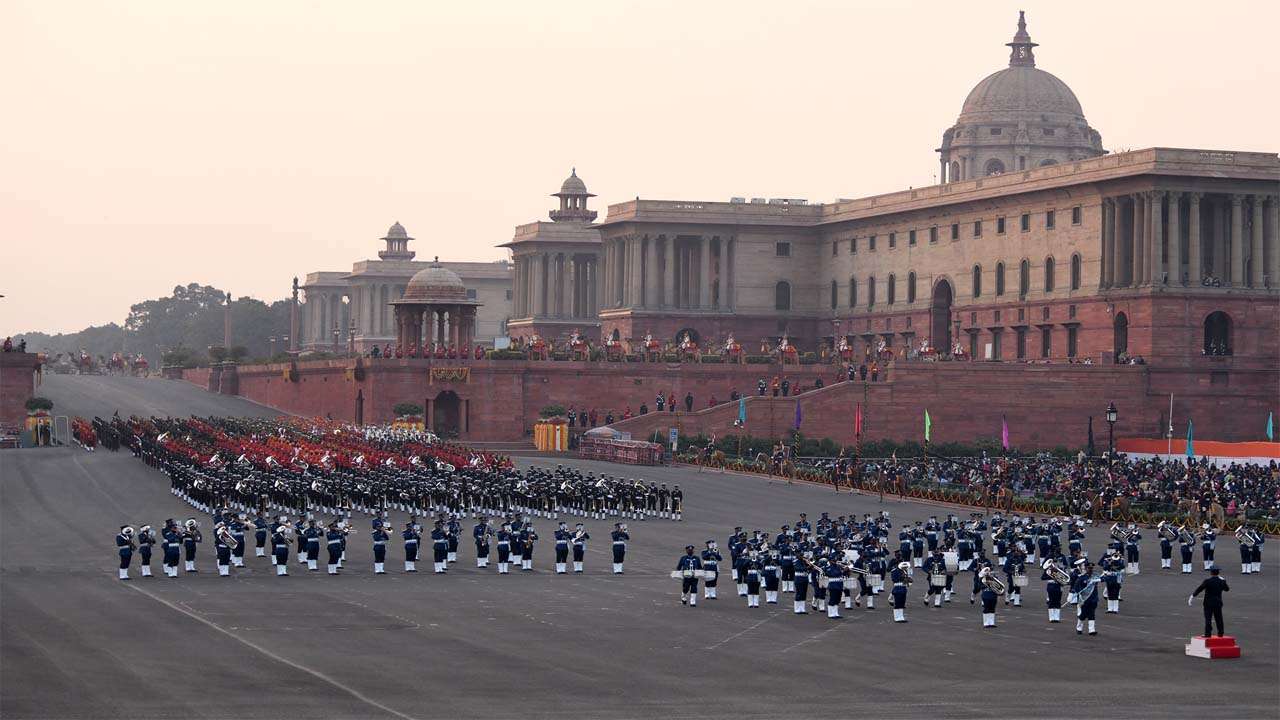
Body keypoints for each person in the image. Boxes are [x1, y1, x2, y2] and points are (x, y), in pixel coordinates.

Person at [1190, 567, 1230, 637]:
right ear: (1218, 573)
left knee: (1208, 618)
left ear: (1211, 573)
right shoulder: (1222, 581)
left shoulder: (1207, 581)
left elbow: (1200, 589)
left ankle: (1208, 633)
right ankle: (1220, 633)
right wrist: (1224, 580)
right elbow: (1227, 589)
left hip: (1208, 603)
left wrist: (1193, 596)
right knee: (1219, 618)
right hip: (1218, 602)